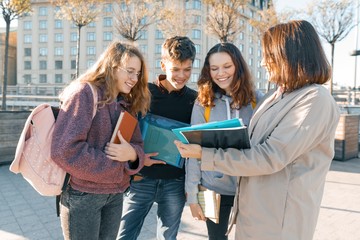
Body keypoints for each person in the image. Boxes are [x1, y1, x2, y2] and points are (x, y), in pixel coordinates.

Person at [174, 20, 340, 240]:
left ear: (290, 56)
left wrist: (205, 154)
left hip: (276, 221)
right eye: (214, 68)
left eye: (269, 56)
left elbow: (269, 156)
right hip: (219, 195)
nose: (262, 62)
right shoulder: (274, 97)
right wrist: (193, 194)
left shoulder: (312, 99)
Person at [51, 41, 150, 240]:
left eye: (137, 73)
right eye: (130, 71)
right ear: (112, 67)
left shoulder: (126, 103)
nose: (134, 78)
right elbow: (64, 150)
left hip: (115, 194)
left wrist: (132, 154)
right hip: (83, 195)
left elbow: (137, 145)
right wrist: (115, 164)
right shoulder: (84, 93)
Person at [117, 36, 197, 240]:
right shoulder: (143, 93)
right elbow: (124, 133)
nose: (181, 75)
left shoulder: (194, 100)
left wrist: (192, 186)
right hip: (142, 177)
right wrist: (136, 159)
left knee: (167, 237)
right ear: (163, 65)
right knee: (125, 235)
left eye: (187, 69)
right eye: (175, 69)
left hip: (175, 181)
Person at [186, 42, 263, 240]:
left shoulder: (257, 101)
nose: (221, 73)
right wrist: (192, 196)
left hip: (248, 189)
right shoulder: (203, 102)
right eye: (214, 68)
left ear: (238, 66)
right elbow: (193, 153)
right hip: (211, 189)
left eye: (227, 66)